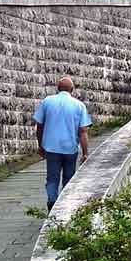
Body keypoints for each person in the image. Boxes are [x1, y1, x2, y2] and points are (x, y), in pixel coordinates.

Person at [34, 76, 92, 211]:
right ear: (72, 90)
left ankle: (52, 200)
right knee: (69, 178)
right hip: (70, 148)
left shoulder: (47, 102)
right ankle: (65, 206)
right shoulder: (79, 105)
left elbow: (40, 125)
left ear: (57, 89)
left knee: (52, 178)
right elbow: (83, 131)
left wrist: (40, 145)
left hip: (51, 147)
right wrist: (85, 153)